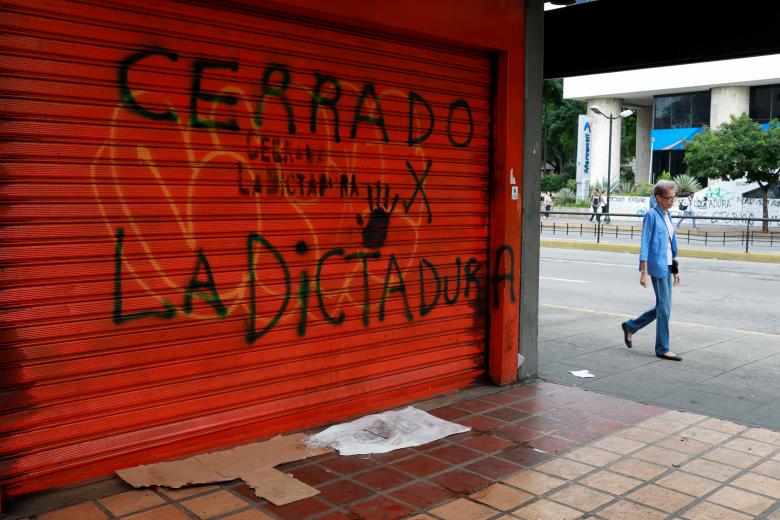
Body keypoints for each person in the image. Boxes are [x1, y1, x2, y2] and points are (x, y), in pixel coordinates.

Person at [621, 180, 682, 361]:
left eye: (674, 197)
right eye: (669, 198)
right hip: (657, 266)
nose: (672, 201)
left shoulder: (667, 215)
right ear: (658, 197)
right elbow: (645, 244)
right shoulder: (651, 215)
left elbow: (670, 244)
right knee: (664, 308)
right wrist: (643, 272)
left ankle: (631, 326)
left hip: (669, 265)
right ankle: (662, 348)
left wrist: (676, 269)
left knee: (664, 306)